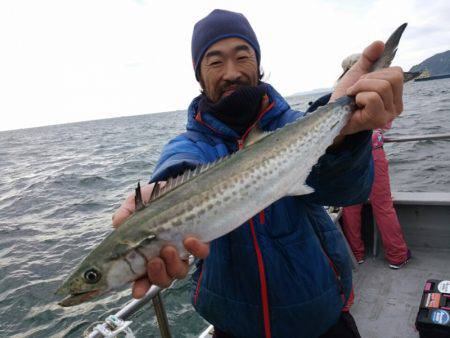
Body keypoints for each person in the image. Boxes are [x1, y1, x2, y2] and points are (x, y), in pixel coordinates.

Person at [112, 9, 404, 338]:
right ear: (199, 76)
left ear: (258, 62)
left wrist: (344, 134)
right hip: (234, 325)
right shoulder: (189, 146)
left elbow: (349, 190)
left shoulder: (294, 125)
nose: (231, 72)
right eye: (215, 61)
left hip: (319, 315)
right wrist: (171, 198)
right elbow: (182, 164)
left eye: (242, 56)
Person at [338, 54, 411, 269]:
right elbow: (385, 122)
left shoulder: (339, 93)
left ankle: (356, 254)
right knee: (383, 206)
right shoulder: (373, 90)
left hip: (346, 157)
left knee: (350, 206)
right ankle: (397, 256)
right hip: (373, 153)